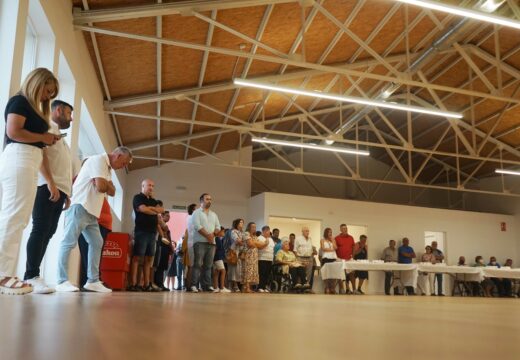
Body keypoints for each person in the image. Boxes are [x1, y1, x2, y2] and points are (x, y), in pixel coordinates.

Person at [0, 68, 61, 295]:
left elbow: (39, 147)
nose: (48, 97)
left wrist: (50, 180)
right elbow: (13, 131)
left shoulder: (33, 107)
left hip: (29, 159)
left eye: (51, 93)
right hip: (19, 157)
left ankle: (6, 271)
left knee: (19, 218)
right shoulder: (19, 101)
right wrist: (43, 137)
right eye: (47, 91)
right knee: (14, 216)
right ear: (37, 83)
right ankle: (2, 273)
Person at [56, 147, 132, 293]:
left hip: (91, 212)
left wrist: (105, 184)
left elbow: (113, 191)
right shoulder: (98, 160)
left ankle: (92, 281)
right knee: (68, 241)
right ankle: (61, 280)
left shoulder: (107, 168)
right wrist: (105, 184)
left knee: (97, 243)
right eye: (124, 163)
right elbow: (102, 187)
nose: (124, 167)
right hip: (80, 206)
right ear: (118, 155)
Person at [23, 99, 73, 294]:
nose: (71, 118)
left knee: (49, 232)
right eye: (69, 113)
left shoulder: (60, 135)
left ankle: (34, 276)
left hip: (59, 190)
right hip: (46, 187)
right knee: (40, 229)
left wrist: (66, 192)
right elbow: (41, 156)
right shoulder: (47, 128)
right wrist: (51, 183)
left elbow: (61, 166)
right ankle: (31, 275)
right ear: (58, 110)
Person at [127, 179, 164, 292]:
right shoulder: (137, 198)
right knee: (137, 258)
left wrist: (150, 209)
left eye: (153, 186)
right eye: (149, 185)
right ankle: (133, 284)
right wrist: (153, 210)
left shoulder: (153, 200)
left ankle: (146, 284)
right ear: (142, 186)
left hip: (152, 233)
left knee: (149, 259)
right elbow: (142, 209)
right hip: (141, 232)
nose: (151, 188)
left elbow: (161, 210)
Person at [78, 197, 112, 289]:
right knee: (87, 253)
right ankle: (89, 281)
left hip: (104, 223)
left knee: (97, 255)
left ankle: (95, 280)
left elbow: (112, 191)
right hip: (93, 220)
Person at [191, 193, 221, 292]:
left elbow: (218, 227)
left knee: (208, 265)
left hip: (212, 243)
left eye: (210, 199)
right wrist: (208, 235)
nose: (209, 201)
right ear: (201, 201)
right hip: (200, 242)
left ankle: (207, 285)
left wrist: (213, 234)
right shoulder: (196, 212)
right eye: (207, 199)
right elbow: (197, 226)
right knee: (198, 264)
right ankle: (194, 285)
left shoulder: (214, 214)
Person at [154, 210, 173, 291]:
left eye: (169, 216)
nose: (169, 217)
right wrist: (170, 245)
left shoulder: (165, 226)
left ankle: (161, 283)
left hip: (166, 247)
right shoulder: (160, 225)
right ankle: (158, 283)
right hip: (161, 246)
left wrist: (171, 247)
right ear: (162, 216)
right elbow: (164, 237)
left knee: (163, 266)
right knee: (159, 265)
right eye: (167, 216)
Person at [335, 224, 355, 294]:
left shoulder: (351, 237)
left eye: (346, 228)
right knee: (341, 274)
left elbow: (353, 247)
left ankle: (354, 289)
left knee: (352, 273)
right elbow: (334, 248)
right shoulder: (337, 238)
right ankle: (342, 289)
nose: (345, 230)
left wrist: (353, 256)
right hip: (340, 259)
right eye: (343, 228)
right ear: (340, 230)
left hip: (349, 258)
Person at [225, 218, 244, 292]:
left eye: (242, 222)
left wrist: (242, 243)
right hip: (233, 252)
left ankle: (233, 285)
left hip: (239, 252)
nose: (242, 224)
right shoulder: (233, 231)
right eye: (240, 222)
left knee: (237, 270)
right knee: (233, 269)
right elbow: (237, 241)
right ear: (236, 224)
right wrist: (243, 242)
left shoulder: (241, 232)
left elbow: (241, 242)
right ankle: (233, 286)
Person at [242, 222, 261, 293]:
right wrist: (256, 244)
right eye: (252, 227)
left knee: (252, 271)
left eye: (255, 227)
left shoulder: (254, 236)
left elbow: (260, 246)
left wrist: (255, 244)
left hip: (254, 256)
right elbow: (250, 244)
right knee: (248, 270)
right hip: (248, 254)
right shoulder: (246, 234)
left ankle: (248, 287)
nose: (254, 228)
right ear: (249, 227)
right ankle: (246, 287)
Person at [294, 227, 314, 291]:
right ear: (302, 232)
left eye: (308, 231)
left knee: (308, 273)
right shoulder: (298, 239)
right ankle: (299, 287)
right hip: (300, 258)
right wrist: (297, 258)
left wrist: (312, 254)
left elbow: (311, 249)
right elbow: (295, 250)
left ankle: (306, 288)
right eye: (306, 231)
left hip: (309, 258)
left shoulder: (310, 239)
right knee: (300, 273)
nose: (307, 232)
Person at [182, 203, 197, 291]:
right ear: (192, 210)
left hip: (192, 243)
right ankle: (189, 285)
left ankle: (190, 285)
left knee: (192, 266)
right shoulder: (191, 218)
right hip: (191, 244)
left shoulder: (190, 218)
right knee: (191, 266)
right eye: (195, 209)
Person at [257, 225, 275, 293]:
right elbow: (260, 247)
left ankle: (264, 286)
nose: (268, 232)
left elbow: (272, 248)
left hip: (269, 258)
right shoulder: (259, 238)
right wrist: (265, 243)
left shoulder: (270, 239)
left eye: (269, 231)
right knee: (262, 273)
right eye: (267, 231)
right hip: (262, 258)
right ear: (263, 231)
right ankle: (260, 286)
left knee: (267, 273)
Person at [212, 227, 230, 293]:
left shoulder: (218, 239)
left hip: (218, 257)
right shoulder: (217, 239)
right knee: (223, 271)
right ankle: (222, 287)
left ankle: (216, 287)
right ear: (219, 232)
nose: (224, 233)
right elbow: (216, 248)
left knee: (216, 272)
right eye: (223, 232)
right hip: (218, 257)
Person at [320, 227, 337, 294]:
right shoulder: (322, 240)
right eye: (329, 232)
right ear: (326, 233)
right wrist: (332, 250)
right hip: (326, 258)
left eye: (331, 232)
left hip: (333, 257)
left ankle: (332, 287)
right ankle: (327, 287)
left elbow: (336, 247)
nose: (330, 233)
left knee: (333, 273)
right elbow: (323, 248)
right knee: (326, 273)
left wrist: (332, 240)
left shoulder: (333, 240)